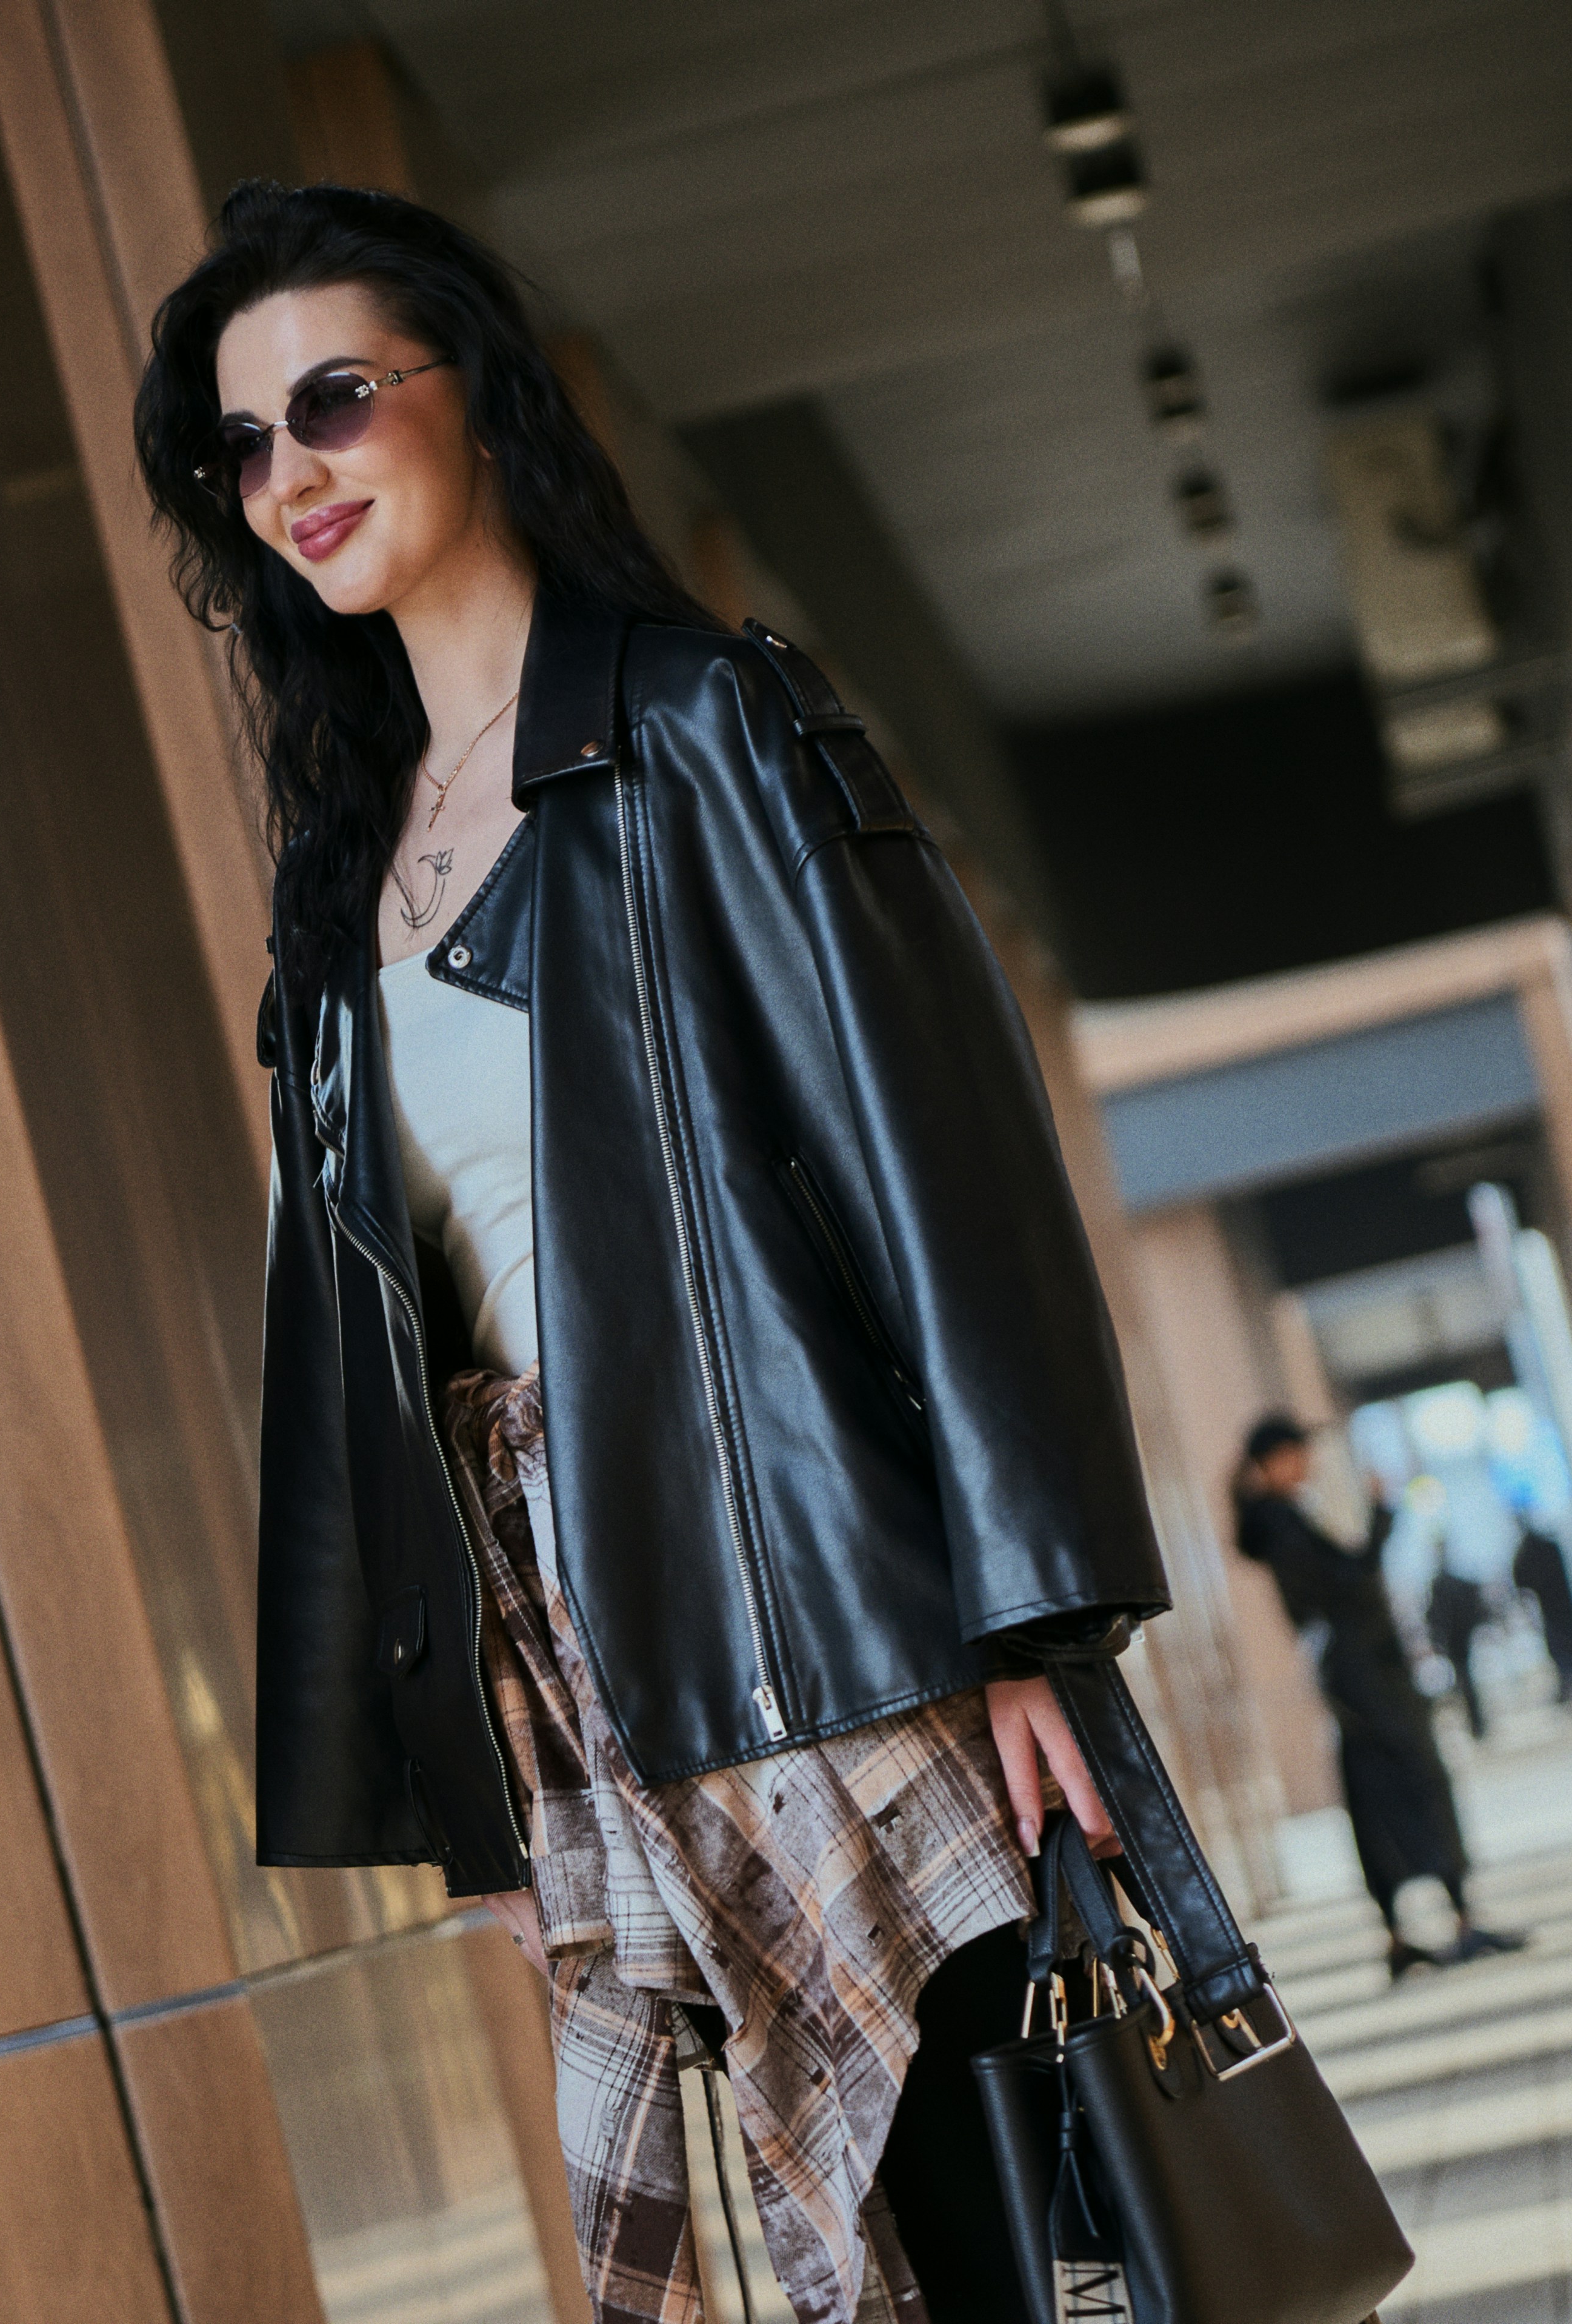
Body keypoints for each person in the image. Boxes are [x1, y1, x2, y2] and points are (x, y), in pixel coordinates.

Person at [140, 181, 1164, 2324]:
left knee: (982, 2224)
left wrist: (1033, 1619)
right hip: (574, 1673)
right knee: (802, 2268)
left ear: (480, 401)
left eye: (332, 398)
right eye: (243, 443)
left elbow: (940, 1167)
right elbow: (354, 1366)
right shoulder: (346, 872)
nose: (289, 473)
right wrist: (459, 1789)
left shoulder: (700, 720)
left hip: (819, 1607)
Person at [1233, 1416, 1524, 1982]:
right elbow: (1352, 1583)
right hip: (1365, 1676)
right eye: (1297, 1454)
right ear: (1271, 1462)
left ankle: (1406, 1930)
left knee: (1379, 1797)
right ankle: (1453, 1921)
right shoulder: (1281, 1524)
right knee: (1419, 1782)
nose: (1307, 1465)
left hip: (1354, 1675)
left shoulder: (1280, 1521)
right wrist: (1381, 1516)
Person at [1514, 1519, 1572, 1709]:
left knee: (1563, 1651)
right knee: (1571, 1648)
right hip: (1561, 1607)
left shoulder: (1526, 1554)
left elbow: (1522, 1585)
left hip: (1551, 1610)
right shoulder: (1547, 1548)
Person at [1424, 1562, 1493, 1742]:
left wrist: (1439, 1639)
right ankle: (1477, 1724)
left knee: (1464, 1682)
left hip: (1454, 1642)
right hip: (1461, 1639)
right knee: (1466, 1681)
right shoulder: (1458, 1582)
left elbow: (1436, 1615)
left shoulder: (1440, 1585)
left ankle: (1476, 1724)